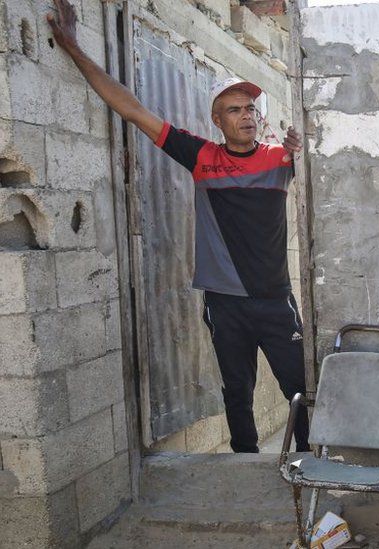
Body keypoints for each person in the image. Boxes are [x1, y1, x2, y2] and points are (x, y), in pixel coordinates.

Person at [47, 0, 310, 453]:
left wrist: (299, 148)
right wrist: (73, 47)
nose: (246, 115)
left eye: (250, 107)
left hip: (275, 300)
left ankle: (309, 470)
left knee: (301, 392)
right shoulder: (202, 157)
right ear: (217, 119)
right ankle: (245, 469)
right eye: (234, 109)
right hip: (225, 303)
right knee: (237, 396)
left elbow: (312, 164)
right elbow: (132, 110)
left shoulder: (278, 158)